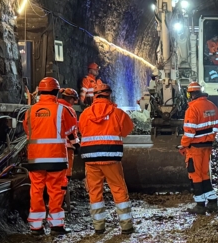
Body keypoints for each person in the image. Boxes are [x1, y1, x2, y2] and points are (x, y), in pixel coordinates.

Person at [23, 77, 79, 234]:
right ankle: (56, 225)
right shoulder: (62, 110)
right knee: (55, 190)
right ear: (56, 92)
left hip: (35, 158)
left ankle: (36, 227)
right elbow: (70, 131)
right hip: (56, 157)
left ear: (40, 92)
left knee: (36, 190)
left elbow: (28, 131)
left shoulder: (30, 111)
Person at [79, 79, 135, 234]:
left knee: (95, 191)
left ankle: (99, 226)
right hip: (111, 158)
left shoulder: (85, 114)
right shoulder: (118, 114)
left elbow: (82, 131)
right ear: (109, 96)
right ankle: (126, 225)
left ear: (95, 96)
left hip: (91, 159)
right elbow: (126, 130)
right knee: (118, 188)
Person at [180, 81, 218, 214]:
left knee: (195, 175)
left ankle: (200, 205)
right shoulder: (212, 106)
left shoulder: (192, 108)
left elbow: (189, 132)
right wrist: (208, 138)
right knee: (204, 174)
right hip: (207, 146)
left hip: (195, 148)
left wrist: (184, 145)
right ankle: (213, 203)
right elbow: (216, 127)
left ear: (190, 94)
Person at [57, 88, 81, 206]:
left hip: (50, 148)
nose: (74, 103)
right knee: (65, 176)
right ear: (70, 99)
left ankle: (50, 201)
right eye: (74, 100)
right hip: (66, 147)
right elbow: (71, 130)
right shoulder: (68, 110)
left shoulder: (53, 107)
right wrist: (77, 145)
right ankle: (60, 202)